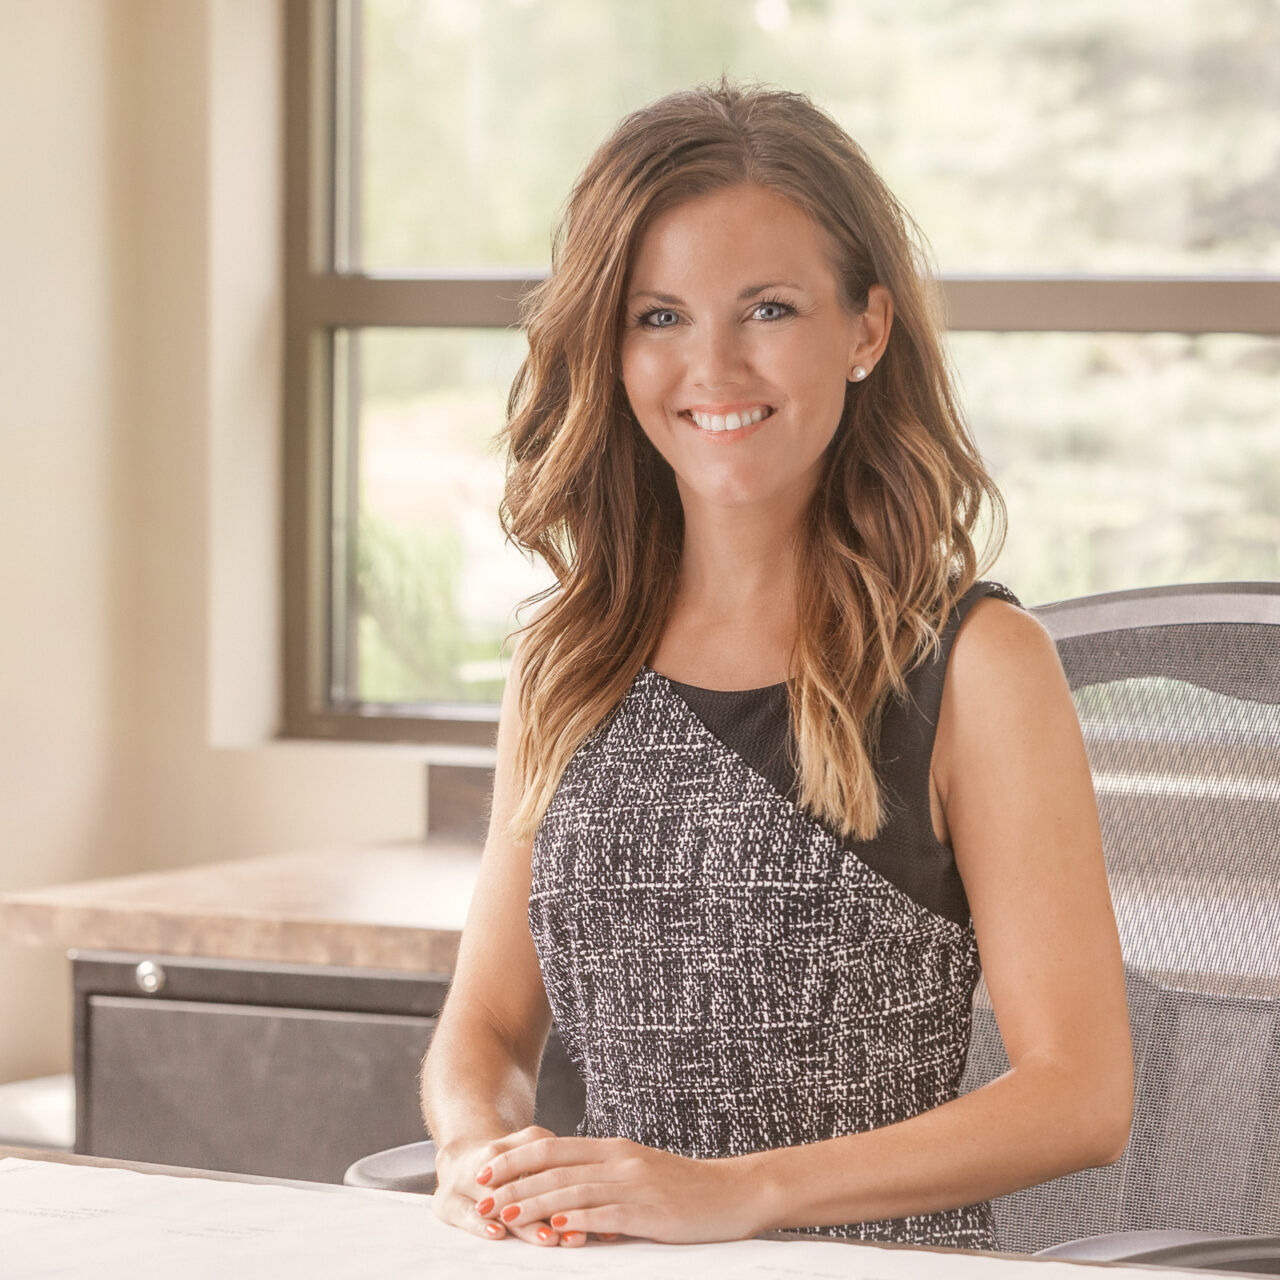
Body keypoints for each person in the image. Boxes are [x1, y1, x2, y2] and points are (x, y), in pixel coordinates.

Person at [420, 74, 1133, 1253]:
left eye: (766, 310)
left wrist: (742, 1188)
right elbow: (486, 1029)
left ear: (864, 328)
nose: (713, 367)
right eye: (659, 316)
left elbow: (1078, 1092)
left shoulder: (975, 663)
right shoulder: (567, 656)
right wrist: (473, 1150)